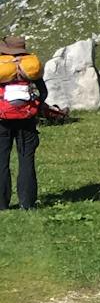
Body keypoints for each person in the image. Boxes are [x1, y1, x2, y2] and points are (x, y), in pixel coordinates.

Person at [0, 35, 47, 213]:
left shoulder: (2, 66)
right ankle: (27, 203)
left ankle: (2, 204)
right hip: (26, 119)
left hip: (2, 120)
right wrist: (36, 108)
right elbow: (43, 92)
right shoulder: (30, 67)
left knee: (1, 160)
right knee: (26, 159)